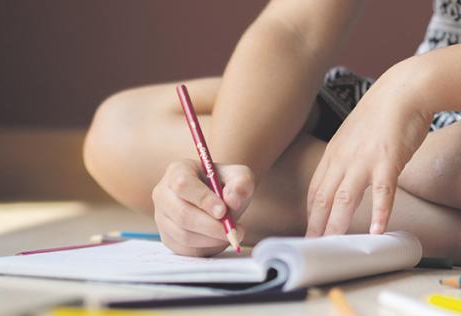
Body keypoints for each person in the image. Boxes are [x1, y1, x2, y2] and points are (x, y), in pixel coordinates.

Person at [83, 0, 461, 261]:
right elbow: (295, 31)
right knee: (120, 130)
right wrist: (224, 183)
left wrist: (416, 83)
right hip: (407, 104)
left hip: (422, 91)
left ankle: (404, 205)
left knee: (442, 163)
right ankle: (433, 222)